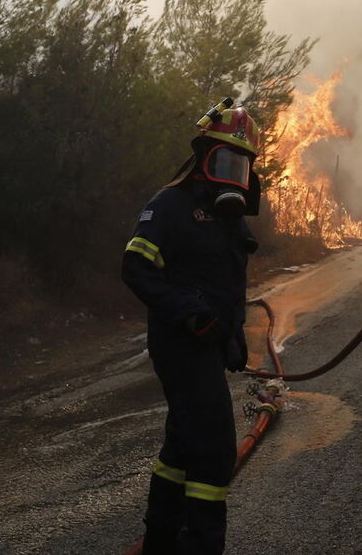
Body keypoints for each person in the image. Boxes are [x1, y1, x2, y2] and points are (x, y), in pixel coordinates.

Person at [122, 98, 261, 553]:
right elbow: (136, 267)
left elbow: (228, 282)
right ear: (202, 158)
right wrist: (191, 313)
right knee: (215, 448)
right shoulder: (171, 205)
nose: (231, 176)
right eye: (223, 162)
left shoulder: (228, 218)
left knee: (183, 443)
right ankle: (202, 544)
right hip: (179, 342)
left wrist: (233, 333)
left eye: (240, 166)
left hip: (209, 343)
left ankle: (162, 538)